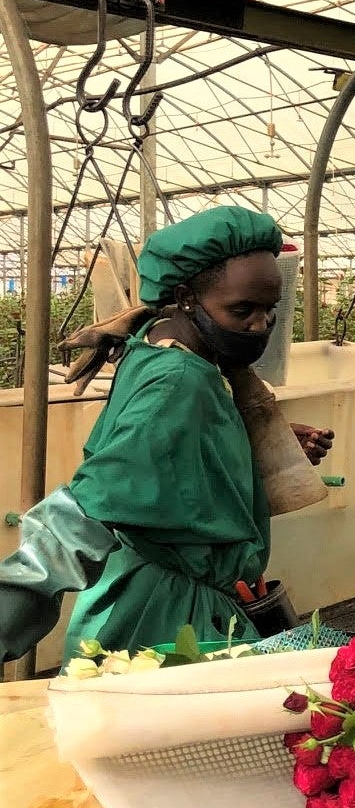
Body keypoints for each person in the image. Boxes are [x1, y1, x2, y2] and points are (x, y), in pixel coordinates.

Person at [0, 206, 331, 662]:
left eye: (269, 310)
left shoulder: (162, 346)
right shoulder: (180, 382)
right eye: (242, 310)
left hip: (157, 597)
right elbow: (88, 509)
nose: (260, 325)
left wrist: (238, 441)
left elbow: (170, 456)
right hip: (164, 622)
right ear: (186, 297)